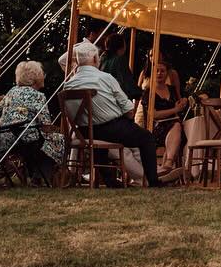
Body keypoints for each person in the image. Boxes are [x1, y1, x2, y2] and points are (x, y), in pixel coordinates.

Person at [61, 41, 166, 186]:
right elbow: (129, 110)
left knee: (107, 134)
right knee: (146, 138)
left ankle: (111, 180)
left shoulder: (68, 84)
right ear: (95, 59)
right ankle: (153, 181)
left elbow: (62, 60)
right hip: (110, 129)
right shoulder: (105, 78)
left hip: (83, 133)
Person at [0, 60, 63, 185]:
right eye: (42, 74)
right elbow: (45, 125)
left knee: (40, 140)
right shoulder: (38, 96)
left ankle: (34, 175)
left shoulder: (11, 92)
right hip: (26, 142)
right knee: (59, 140)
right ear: (36, 78)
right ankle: (38, 177)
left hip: (4, 141)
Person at [138, 60, 189, 169]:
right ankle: (169, 162)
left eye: (162, 71)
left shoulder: (172, 89)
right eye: (156, 71)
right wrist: (174, 109)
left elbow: (179, 106)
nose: (159, 73)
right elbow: (154, 114)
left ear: (167, 73)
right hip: (157, 127)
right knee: (176, 126)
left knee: (178, 126)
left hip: (174, 125)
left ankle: (167, 165)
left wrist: (184, 101)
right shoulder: (148, 92)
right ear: (152, 73)